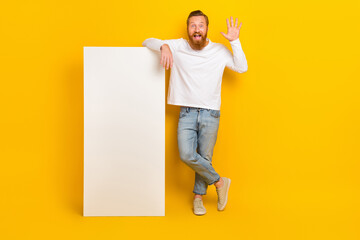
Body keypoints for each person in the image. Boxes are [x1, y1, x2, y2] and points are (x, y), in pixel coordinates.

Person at [142, 10, 248, 215]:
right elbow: (147, 41)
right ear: (188, 29)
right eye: (193, 25)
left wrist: (235, 42)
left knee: (204, 158)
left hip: (211, 113)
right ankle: (219, 182)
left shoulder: (219, 50)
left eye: (201, 25)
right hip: (187, 113)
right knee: (187, 154)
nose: (197, 29)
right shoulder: (177, 46)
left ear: (207, 29)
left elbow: (242, 67)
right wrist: (163, 46)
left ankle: (198, 198)